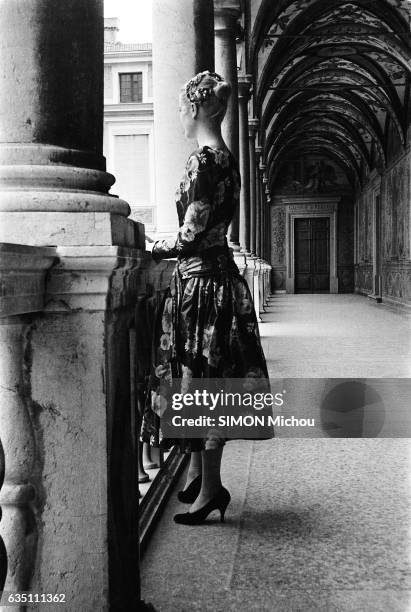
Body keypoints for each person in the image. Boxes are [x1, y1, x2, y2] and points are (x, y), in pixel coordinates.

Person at [143, 70, 272, 525]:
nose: (178, 115)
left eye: (180, 107)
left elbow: (190, 234)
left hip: (201, 286)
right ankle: (199, 475)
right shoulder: (229, 158)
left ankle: (212, 490)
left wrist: (151, 247)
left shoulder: (202, 161)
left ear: (195, 108)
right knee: (208, 377)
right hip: (221, 280)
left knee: (204, 381)